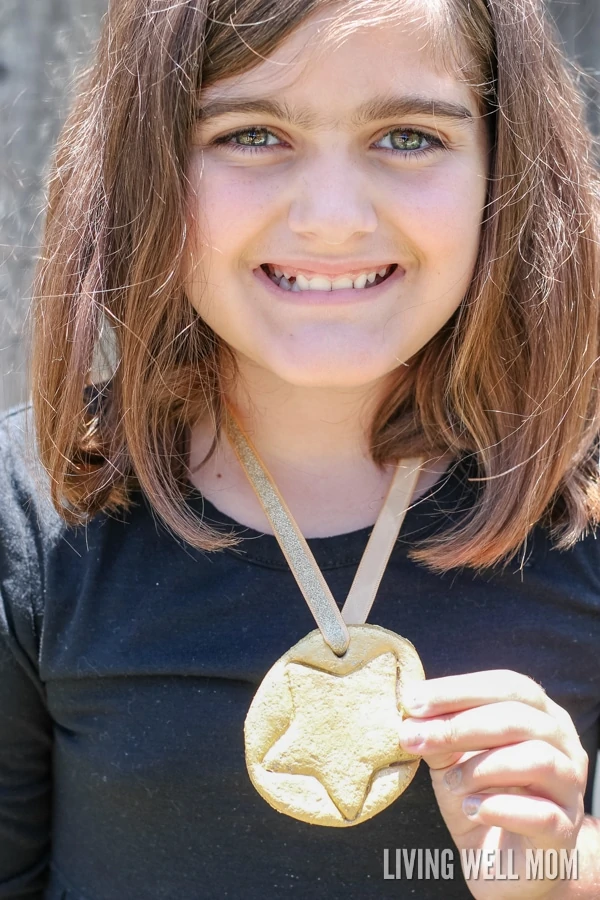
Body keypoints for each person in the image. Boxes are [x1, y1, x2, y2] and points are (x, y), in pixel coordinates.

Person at [1, 0, 599, 897]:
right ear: (144, 163)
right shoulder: (33, 516)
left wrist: (564, 876)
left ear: (505, 169)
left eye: (406, 137)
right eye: (251, 134)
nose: (330, 219)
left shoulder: (581, 511)